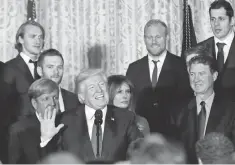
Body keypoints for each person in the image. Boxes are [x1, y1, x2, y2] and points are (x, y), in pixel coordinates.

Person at [39, 69, 143, 163]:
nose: (99, 90)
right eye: (92, 87)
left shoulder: (126, 117)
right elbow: (53, 160)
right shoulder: (65, 120)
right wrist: (46, 139)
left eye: (102, 85)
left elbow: (139, 153)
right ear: (81, 97)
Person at [126, 19, 192, 135]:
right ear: (144, 39)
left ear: (166, 38)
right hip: (141, 136)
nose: (153, 42)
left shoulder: (181, 65)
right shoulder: (133, 68)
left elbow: (188, 102)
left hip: (173, 135)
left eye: (158, 37)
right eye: (149, 37)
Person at [174, 55, 235, 163]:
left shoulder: (230, 110)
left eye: (201, 73)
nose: (196, 79)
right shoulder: (179, 110)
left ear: (214, 76)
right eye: (192, 74)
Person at [8, 78, 63, 164]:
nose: (52, 103)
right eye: (46, 99)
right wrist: (45, 140)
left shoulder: (66, 122)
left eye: (55, 97)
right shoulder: (19, 130)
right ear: (34, 103)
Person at [3, 20, 45, 123]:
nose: (38, 41)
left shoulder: (46, 67)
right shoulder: (8, 68)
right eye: (33, 36)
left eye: (40, 37)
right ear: (20, 39)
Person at [197, 0, 235, 101]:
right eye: (213, 19)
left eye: (221, 19)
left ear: (232, 21)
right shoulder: (200, 49)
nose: (216, 24)